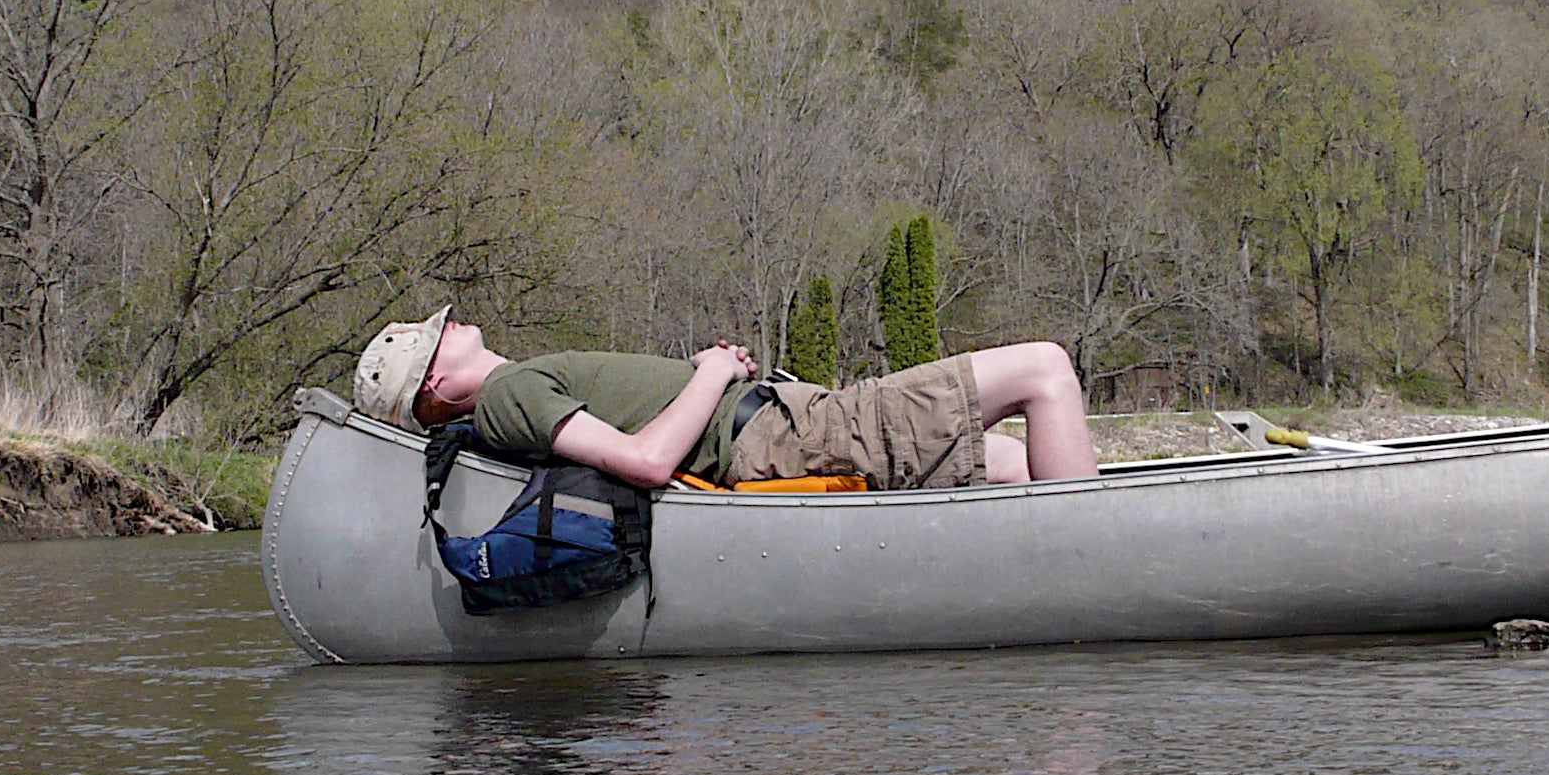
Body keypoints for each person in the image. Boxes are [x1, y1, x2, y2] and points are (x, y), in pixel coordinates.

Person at [351, 304, 1098, 491]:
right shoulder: (509, 393)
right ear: (439, 385)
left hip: (790, 422)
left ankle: (1075, 540)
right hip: (790, 435)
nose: (455, 325)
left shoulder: (514, 391)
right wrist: (710, 372)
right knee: (1045, 368)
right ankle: (1089, 557)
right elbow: (645, 461)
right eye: (438, 338)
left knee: (1015, 466)